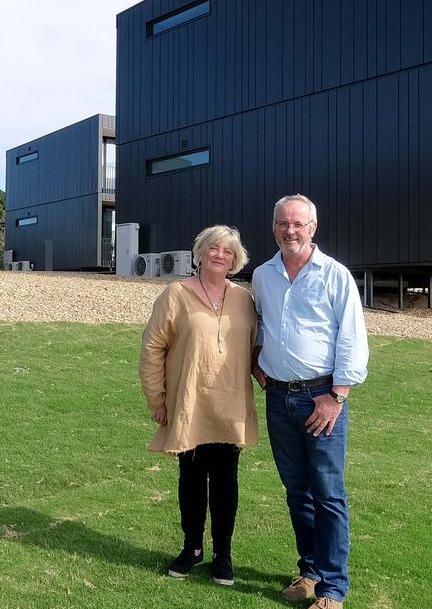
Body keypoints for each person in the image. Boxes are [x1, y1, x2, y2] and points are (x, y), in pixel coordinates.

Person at [251, 194, 368, 609]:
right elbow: (261, 324)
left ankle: (333, 588)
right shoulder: (263, 275)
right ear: (274, 227)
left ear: (313, 228)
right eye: (283, 223)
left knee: (328, 492)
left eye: (298, 223)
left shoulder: (334, 275)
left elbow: (352, 338)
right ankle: (310, 572)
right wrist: (257, 362)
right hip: (279, 398)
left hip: (322, 398)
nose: (290, 230)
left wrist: (336, 397)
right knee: (296, 490)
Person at [139, 224, 258, 586]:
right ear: (200, 253)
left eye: (227, 251)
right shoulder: (176, 294)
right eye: (213, 249)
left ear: (236, 259)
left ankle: (223, 553)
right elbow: (152, 348)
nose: (220, 255)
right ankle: (192, 548)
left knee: (226, 482)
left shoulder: (244, 299)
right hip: (189, 403)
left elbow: (256, 346)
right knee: (191, 480)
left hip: (230, 404)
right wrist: (157, 399)